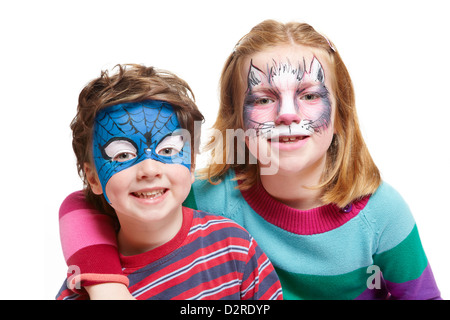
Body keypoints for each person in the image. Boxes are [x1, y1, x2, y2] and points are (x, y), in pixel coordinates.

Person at [57, 20, 441, 299]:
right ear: (235, 119)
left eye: (309, 95)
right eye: (263, 99)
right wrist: (106, 284)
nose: (288, 114)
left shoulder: (381, 213)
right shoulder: (208, 199)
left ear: (340, 116)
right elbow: (86, 204)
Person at [56, 64, 283, 300]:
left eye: (167, 150)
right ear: (93, 178)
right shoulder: (83, 289)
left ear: (192, 164)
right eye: (122, 155)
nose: (150, 169)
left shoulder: (234, 247)